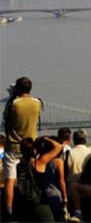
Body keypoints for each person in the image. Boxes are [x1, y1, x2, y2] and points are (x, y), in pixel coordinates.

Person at [2, 77, 42, 219]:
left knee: (10, 180)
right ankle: (33, 204)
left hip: (13, 146)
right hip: (31, 146)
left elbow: (6, 118)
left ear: (17, 89)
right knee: (32, 177)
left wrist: (13, 96)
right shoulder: (38, 103)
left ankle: (9, 210)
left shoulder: (13, 104)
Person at [14, 137, 62, 222]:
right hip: (39, 202)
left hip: (23, 204)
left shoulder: (19, 165)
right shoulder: (39, 162)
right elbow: (58, 147)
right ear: (34, 150)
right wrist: (45, 138)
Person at [44, 137, 68, 222]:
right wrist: (65, 197)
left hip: (45, 193)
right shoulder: (58, 161)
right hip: (55, 194)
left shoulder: (43, 160)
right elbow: (61, 181)